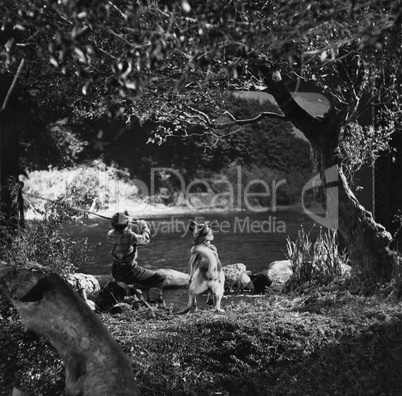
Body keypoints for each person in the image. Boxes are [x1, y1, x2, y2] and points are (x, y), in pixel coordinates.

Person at [107, 211, 165, 304]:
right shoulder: (130, 236)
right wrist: (144, 226)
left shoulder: (110, 234)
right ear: (126, 224)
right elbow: (145, 239)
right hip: (130, 270)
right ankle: (153, 302)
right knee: (158, 279)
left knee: (130, 288)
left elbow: (123, 231)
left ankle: (130, 301)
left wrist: (127, 220)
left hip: (116, 270)